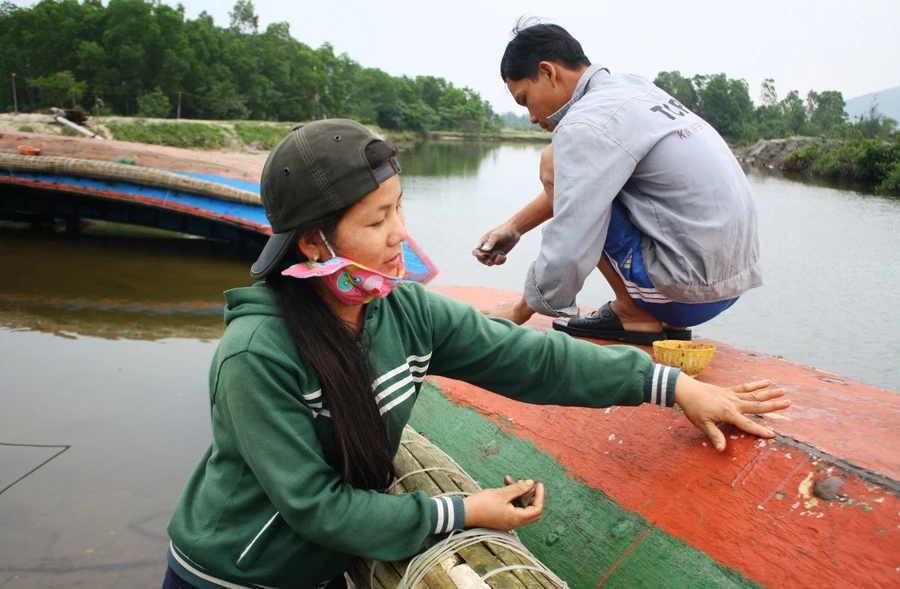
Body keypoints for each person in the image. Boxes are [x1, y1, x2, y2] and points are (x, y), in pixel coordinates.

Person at [163, 119, 789, 589]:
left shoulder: (404, 312)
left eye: (399, 209)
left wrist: (671, 386)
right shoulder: (257, 353)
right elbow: (314, 506)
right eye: (377, 219)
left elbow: (531, 360)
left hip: (320, 571)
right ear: (313, 242)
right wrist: (462, 510)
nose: (400, 234)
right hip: (232, 571)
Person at [474, 22, 762, 345]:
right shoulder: (633, 89)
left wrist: (520, 309)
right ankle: (639, 305)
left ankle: (632, 311)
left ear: (548, 73)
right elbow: (582, 186)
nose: (529, 116)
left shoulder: (583, 123)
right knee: (576, 177)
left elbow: (571, 234)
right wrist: (515, 226)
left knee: (552, 161)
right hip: (729, 285)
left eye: (525, 99)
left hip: (682, 294)